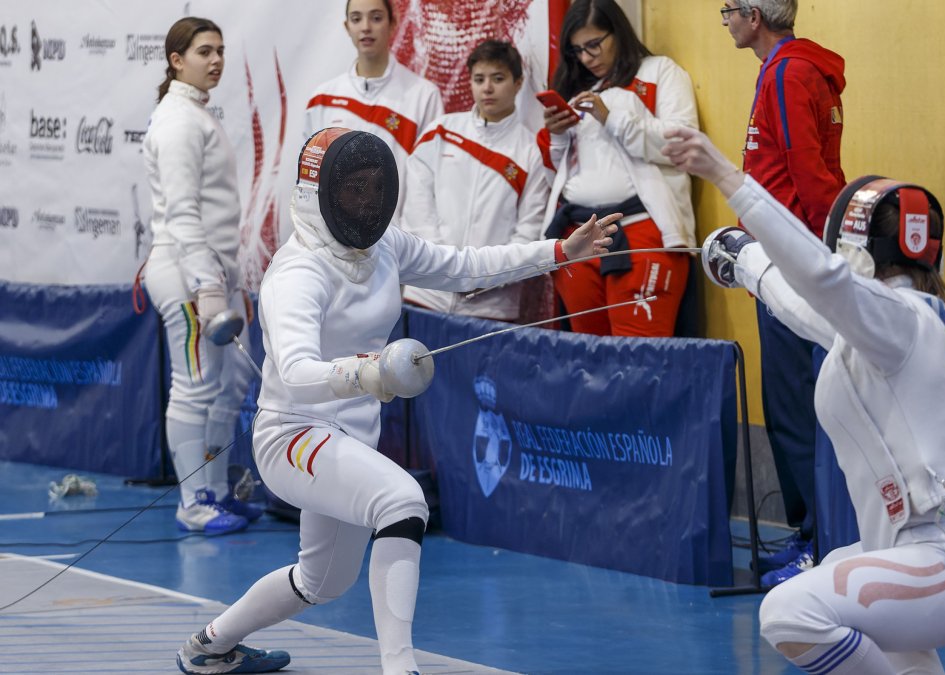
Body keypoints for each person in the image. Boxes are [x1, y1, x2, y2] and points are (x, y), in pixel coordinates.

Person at [174, 127, 619, 675]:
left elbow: (465, 265)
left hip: (352, 438)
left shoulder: (383, 248)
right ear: (320, 193)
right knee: (403, 502)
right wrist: (369, 372)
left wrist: (556, 251)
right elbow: (296, 372)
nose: (365, 201)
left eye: (373, 186)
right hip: (292, 436)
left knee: (320, 583)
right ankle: (399, 668)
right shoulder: (298, 273)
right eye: (351, 189)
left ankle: (210, 645)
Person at [664, 126, 945, 674]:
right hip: (920, 554)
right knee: (836, 574)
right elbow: (800, 302)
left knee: (792, 612)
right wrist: (743, 260)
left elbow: (822, 281)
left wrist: (729, 180)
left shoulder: (903, 322)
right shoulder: (876, 333)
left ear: (852, 247)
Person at [722, 0, 848, 585]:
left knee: (795, 409)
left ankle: (817, 545)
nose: (723, 20)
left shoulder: (788, 73)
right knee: (788, 405)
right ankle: (808, 534)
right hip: (786, 257)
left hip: (793, 262)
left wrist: (819, 260)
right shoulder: (786, 69)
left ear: (754, 15)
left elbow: (809, 174)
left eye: (728, 9)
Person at [141, 17, 261, 536]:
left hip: (215, 274)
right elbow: (184, 214)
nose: (215, 61)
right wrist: (207, 287)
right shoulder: (178, 122)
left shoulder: (196, 115)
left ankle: (214, 491)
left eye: (220, 51)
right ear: (176, 60)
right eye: (203, 51)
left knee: (229, 386)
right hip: (188, 275)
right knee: (194, 387)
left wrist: (223, 281)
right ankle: (193, 502)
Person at [540, 0, 698, 337]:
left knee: (642, 355)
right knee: (590, 357)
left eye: (594, 44)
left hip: (642, 229)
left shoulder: (659, 72)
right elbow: (565, 170)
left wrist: (610, 118)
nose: (586, 58)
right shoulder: (580, 90)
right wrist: (557, 136)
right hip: (578, 234)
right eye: (577, 50)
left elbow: (683, 145)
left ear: (619, 32)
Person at [401, 39, 550, 322]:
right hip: (427, 294)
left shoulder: (531, 153)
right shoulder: (440, 132)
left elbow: (528, 232)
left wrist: (485, 276)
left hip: (492, 307)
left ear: (518, 83)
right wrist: (443, 267)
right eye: (479, 79)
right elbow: (417, 208)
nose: (487, 88)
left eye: (498, 78)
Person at [305, 0, 444, 224]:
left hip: (397, 243)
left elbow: (426, 185)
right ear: (346, 26)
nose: (366, 27)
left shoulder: (424, 96)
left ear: (393, 23)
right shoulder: (322, 98)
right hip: (333, 243)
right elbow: (311, 180)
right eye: (357, 19)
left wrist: (409, 245)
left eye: (376, 18)